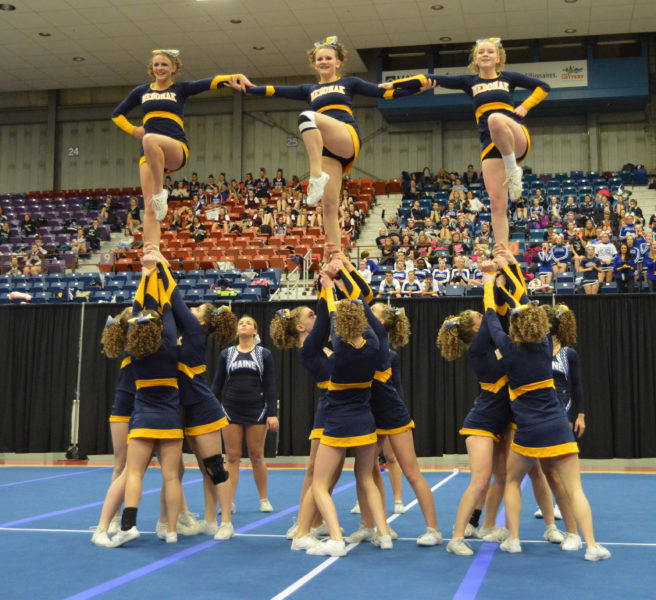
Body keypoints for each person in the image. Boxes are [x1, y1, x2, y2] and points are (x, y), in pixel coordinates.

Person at [234, 36, 426, 249]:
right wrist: (249, 88)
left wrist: (416, 87)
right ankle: (334, 252)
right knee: (329, 207)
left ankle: (315, 175)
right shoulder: (309, 89)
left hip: (346, 135)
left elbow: (384, 92)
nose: (323, 61)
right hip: (327, 150)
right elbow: (275, 90)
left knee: (307, 117)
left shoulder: (349, 83)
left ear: (338, 62)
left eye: (328, 58)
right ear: (314, 64)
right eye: (319, 59)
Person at [483, 277, 610, 561]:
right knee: (574, 488)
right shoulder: (544, 346)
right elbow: (526, 306)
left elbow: (492, 317)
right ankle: (591, 545)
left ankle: (513, 539)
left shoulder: (507, 347)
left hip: (527, 430)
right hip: (556, 425)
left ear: (514, 327)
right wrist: (506, 284)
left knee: (513, 481)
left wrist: (490, 285)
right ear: (540, 325)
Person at [388, 38, 550, 244]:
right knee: (497, 204)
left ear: (498, 58)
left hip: (515, 136)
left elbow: (543, 87)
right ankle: (501, 251)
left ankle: (513, 170)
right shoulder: (470, 82)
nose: (485, 54)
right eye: (481, 52)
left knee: (495, 118)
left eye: (490, 52)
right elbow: (429, 77)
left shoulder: (510, 78)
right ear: (475, 58)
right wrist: (394, 84)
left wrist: (526, 106)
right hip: (490, 144)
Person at [111, 49, 246, 221]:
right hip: (148, 151)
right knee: (149, 206)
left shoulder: (180, 89)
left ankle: (160, 192)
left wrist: (235, 77)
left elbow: (208, 83)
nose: (160, 68)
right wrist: (133, 129)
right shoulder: (141, 91)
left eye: (164, 64)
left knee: (149, 138)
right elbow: (116, 114)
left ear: (174, 68)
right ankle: (151, 247)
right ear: (151, 68)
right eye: (156, 64)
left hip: (174, 146)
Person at [211, 315, 278, 513]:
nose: (244, 325)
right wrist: (209, 408)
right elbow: (217, 384)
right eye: (241, 323)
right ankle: (228, 501)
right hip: (230, 409)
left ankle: (264, 499)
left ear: (255, 331)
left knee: (257, 456)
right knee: (232, 457)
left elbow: (270, 386)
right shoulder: (227, 354)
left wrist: (272, 413)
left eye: (249, 323)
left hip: (256, 410)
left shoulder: (264, 354)